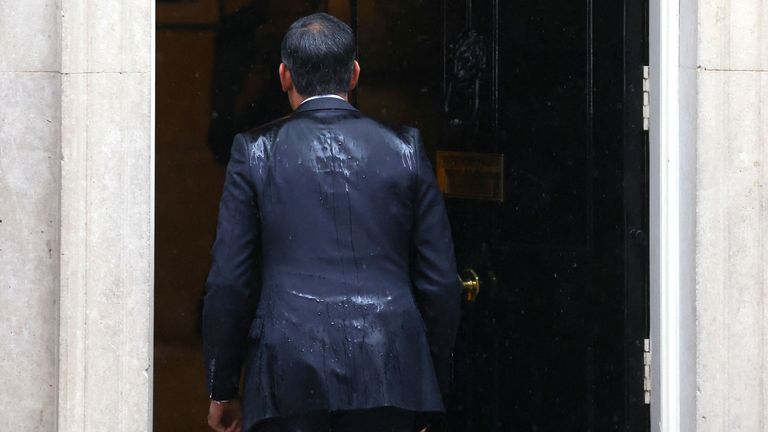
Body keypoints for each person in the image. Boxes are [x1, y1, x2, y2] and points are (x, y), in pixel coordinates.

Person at [202, 12, 460, 432]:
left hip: (287, 370)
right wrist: (431, 386)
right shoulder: (406, 148)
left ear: (284, 76)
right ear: (354, 73)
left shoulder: (254, 152)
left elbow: (230, 279)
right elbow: (441, 281)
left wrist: (222, 387)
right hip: (390, 369)